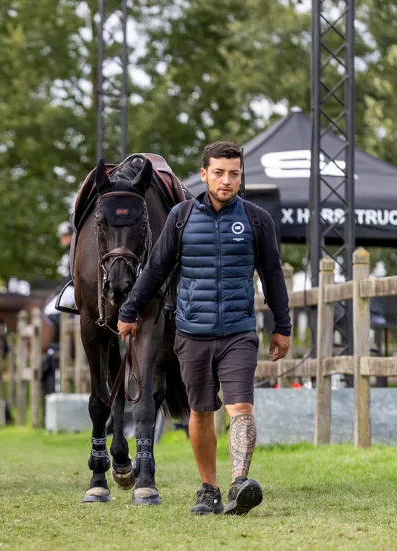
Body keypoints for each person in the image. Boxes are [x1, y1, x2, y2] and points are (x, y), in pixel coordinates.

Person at [116, 141, 291, 517]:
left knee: (241, 406)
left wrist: (283, 325)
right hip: (192, 332)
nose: (226, 181)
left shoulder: (258, 220)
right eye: (219, 173)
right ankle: (208, 488)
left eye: (234, 174)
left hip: (239, 331)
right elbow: (155, 271)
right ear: (204, 174)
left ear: (241, 176)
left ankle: (239, 482)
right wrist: (129, 310)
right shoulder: (180, 218)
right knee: (200, 411)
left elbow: (273, 276)